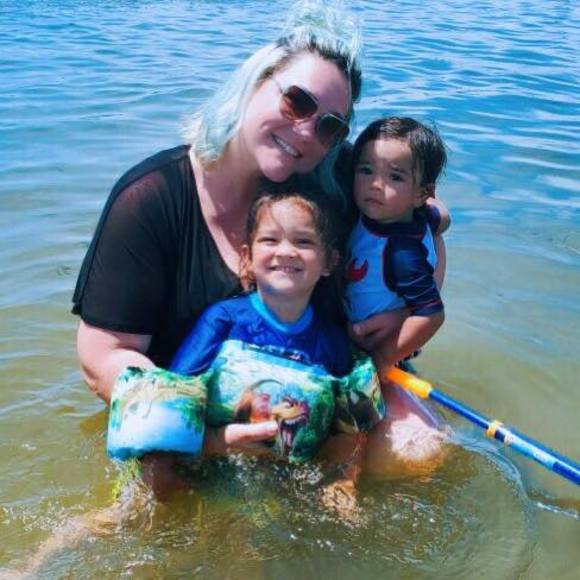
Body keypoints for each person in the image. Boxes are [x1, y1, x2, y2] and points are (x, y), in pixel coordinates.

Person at [72, 1, 362, 459]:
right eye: (297, 101)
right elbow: (101, 358)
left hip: (295, 417)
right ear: (254, 83)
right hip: (179, 423)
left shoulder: (325, 183)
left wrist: (431, 222)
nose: (307, 132)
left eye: (330, 127)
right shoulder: (151, 197)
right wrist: (202, 438)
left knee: (416, 444)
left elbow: (412, 197)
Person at [345, 116, 451, 476]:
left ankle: (349, 475)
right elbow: (439, 218)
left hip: (380, 347)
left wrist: (381, 360)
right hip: (371, 333)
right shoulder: (391, 215)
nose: (375, 185)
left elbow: (432, 314)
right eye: (365, 170)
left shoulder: (402, 253)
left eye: (395, 177)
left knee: (353, 421)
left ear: (421, 193)